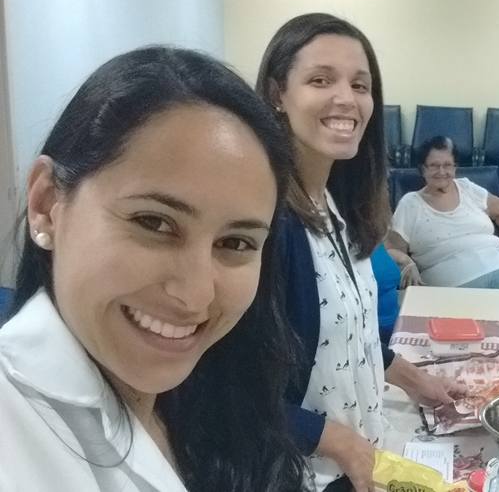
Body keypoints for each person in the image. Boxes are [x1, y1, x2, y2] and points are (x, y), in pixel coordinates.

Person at [0, 47, 307, 491]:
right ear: (46, 204)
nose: (196, 295)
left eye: (235, 243)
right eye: (154, 223)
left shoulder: (219, 393)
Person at [256, 13, 462, 492]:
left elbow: (350, 336)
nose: (347, 99)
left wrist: (417, 381)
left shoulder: (334, 202)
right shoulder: (266, 221)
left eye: (360, 85)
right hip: (306, 473)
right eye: (320, 80)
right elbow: (226, 390)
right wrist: (339, 442)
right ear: (276, 94)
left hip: (360, 457)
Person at [387, 136, 499, 290]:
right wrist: (406, 262)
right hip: (452, 291)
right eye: (434, 165)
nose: (442, 171)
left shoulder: (467, 188)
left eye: (447, 165)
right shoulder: (410, 204)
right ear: (423, 169)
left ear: (455, 167)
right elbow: (391, 249)